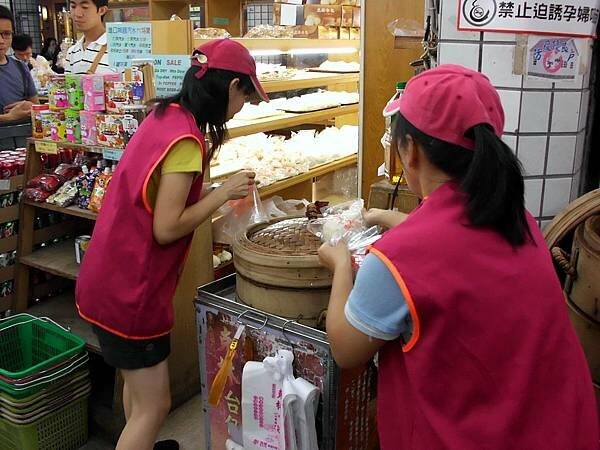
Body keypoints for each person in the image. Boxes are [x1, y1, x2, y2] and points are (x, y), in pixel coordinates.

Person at [318, 64, 599, 450]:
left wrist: (339, 265)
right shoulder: (515, 218)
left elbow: (346, 349)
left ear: (410, 150)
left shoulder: (397, 260)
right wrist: (383, 216)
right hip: (559, 429)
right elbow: (449, 243)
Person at [75, 39, 269, 450]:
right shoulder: (186, 140)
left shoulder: (165, 115)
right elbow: (166, 227)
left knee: (138, 391)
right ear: (232, 87)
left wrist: (212, 191)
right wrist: (222, 194)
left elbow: (161, 196)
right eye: (246, 97)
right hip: (132, 293)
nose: (243, 107)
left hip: (104, 278)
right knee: (155, 406)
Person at [0, 6, 38, 124]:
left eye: (6, 34)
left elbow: (36, 107)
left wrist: (29, 107)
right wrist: (8, 117)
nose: (1, 41)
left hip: (22, 133)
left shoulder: (21, 68)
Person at [64, 0, 115, 74]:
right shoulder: (72, 52)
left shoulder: (119, 48)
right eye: (73, 6)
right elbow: (69, 81)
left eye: (84, 7)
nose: (77, 14)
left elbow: (129, 80)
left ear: (102, 10)